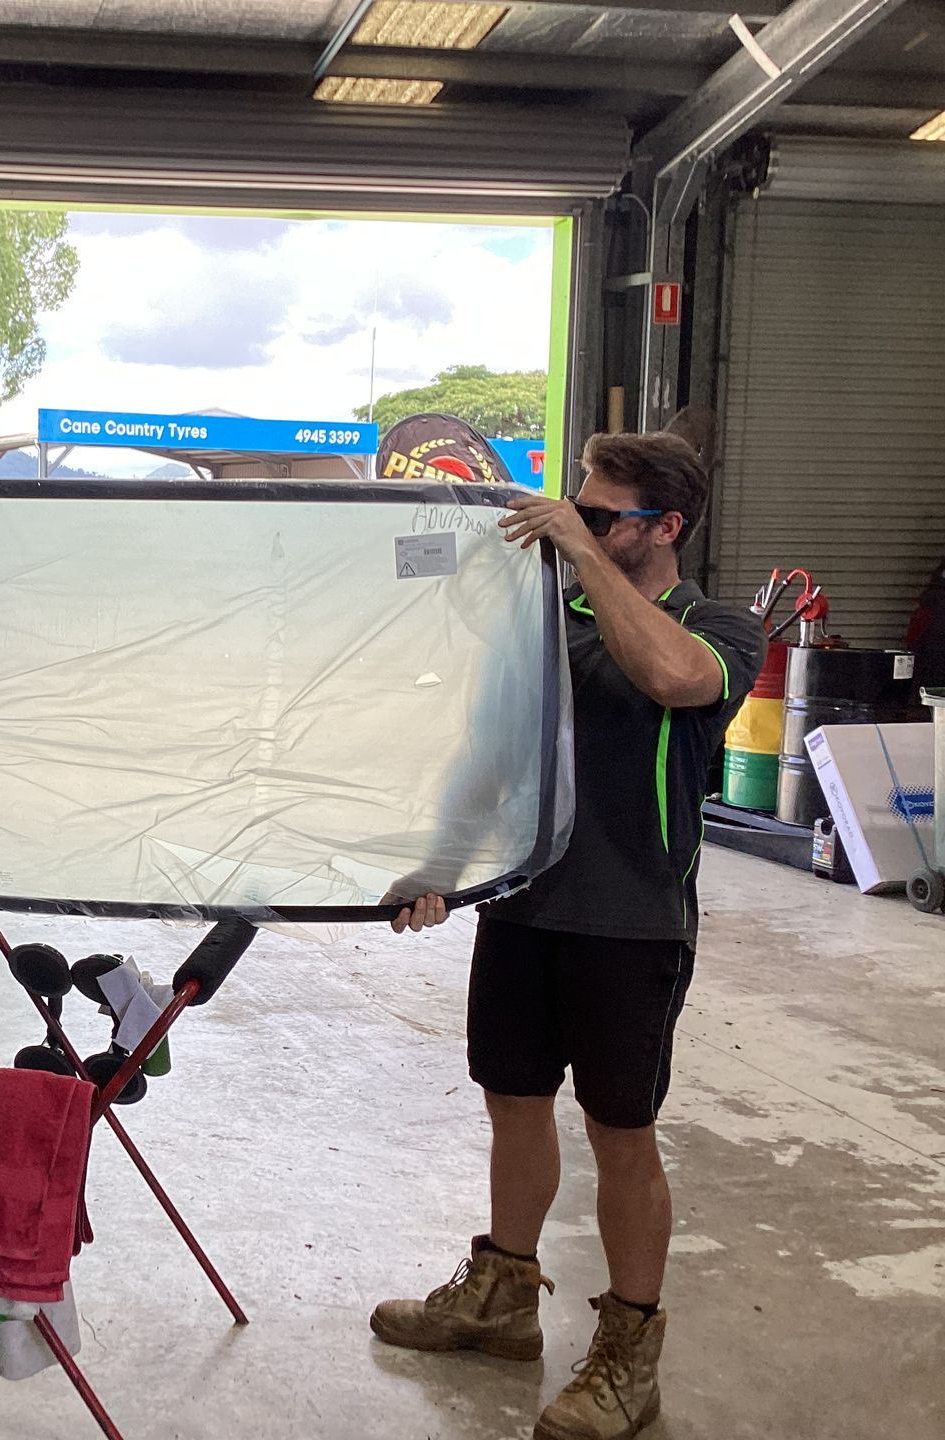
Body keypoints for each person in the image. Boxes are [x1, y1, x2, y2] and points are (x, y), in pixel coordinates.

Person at [378, 433, 762, 1440]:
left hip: (628, 922)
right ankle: (504, 1295)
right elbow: (490, 754)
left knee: (621, 1135)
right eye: (575, 509)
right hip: (524, 904)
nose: (577, 525)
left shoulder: (714, 623)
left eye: (601, 515)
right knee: (513, 1103)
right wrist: (444, 868)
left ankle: (630, 1356)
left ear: (663, 528)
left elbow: (678, 679)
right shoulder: (545, 620)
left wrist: (581, 556)